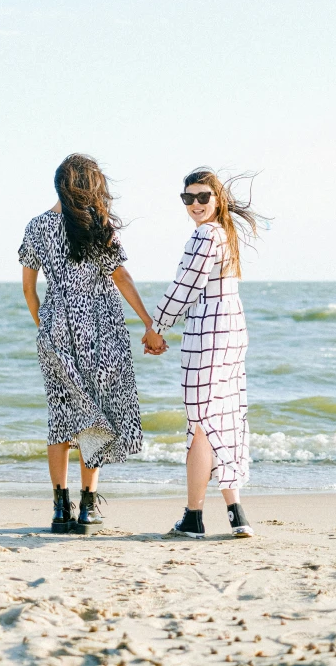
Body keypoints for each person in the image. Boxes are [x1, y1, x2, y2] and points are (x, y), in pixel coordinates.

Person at [19, 153, 166, 534]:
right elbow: (122, 279)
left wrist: (46, 328)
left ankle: (58, 507)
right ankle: (87, 506)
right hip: (100, 330)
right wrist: (150, 323)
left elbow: (29, 289)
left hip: (55, 330)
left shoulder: (36, 227)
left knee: (61, 415)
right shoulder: (97, 225)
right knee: (95, 412)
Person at [144, 168, 261, 538]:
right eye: (188, 198)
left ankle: (193, 517)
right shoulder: (226, 233)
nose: (195, 204)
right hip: (232, 332)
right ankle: (236, 514)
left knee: (199, 425)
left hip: (207, 336)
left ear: (217, 199)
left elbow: (184, 287)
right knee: (224, 418)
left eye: (202, 197)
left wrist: (155, 328)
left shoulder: (204, 235)